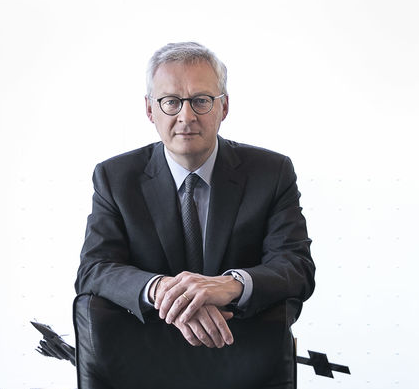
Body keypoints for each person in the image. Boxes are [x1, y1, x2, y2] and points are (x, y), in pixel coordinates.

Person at [76, 41, 314, 348]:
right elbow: (94, 270)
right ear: (150, 109)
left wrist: (232, 284)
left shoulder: (271, 173)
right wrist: (160, 289)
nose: (186, 116)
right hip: (144, 362)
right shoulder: (115, 178)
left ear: (224, 107)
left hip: (245, 355)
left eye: (201, 101)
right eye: (171, 102)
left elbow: (297, 267)